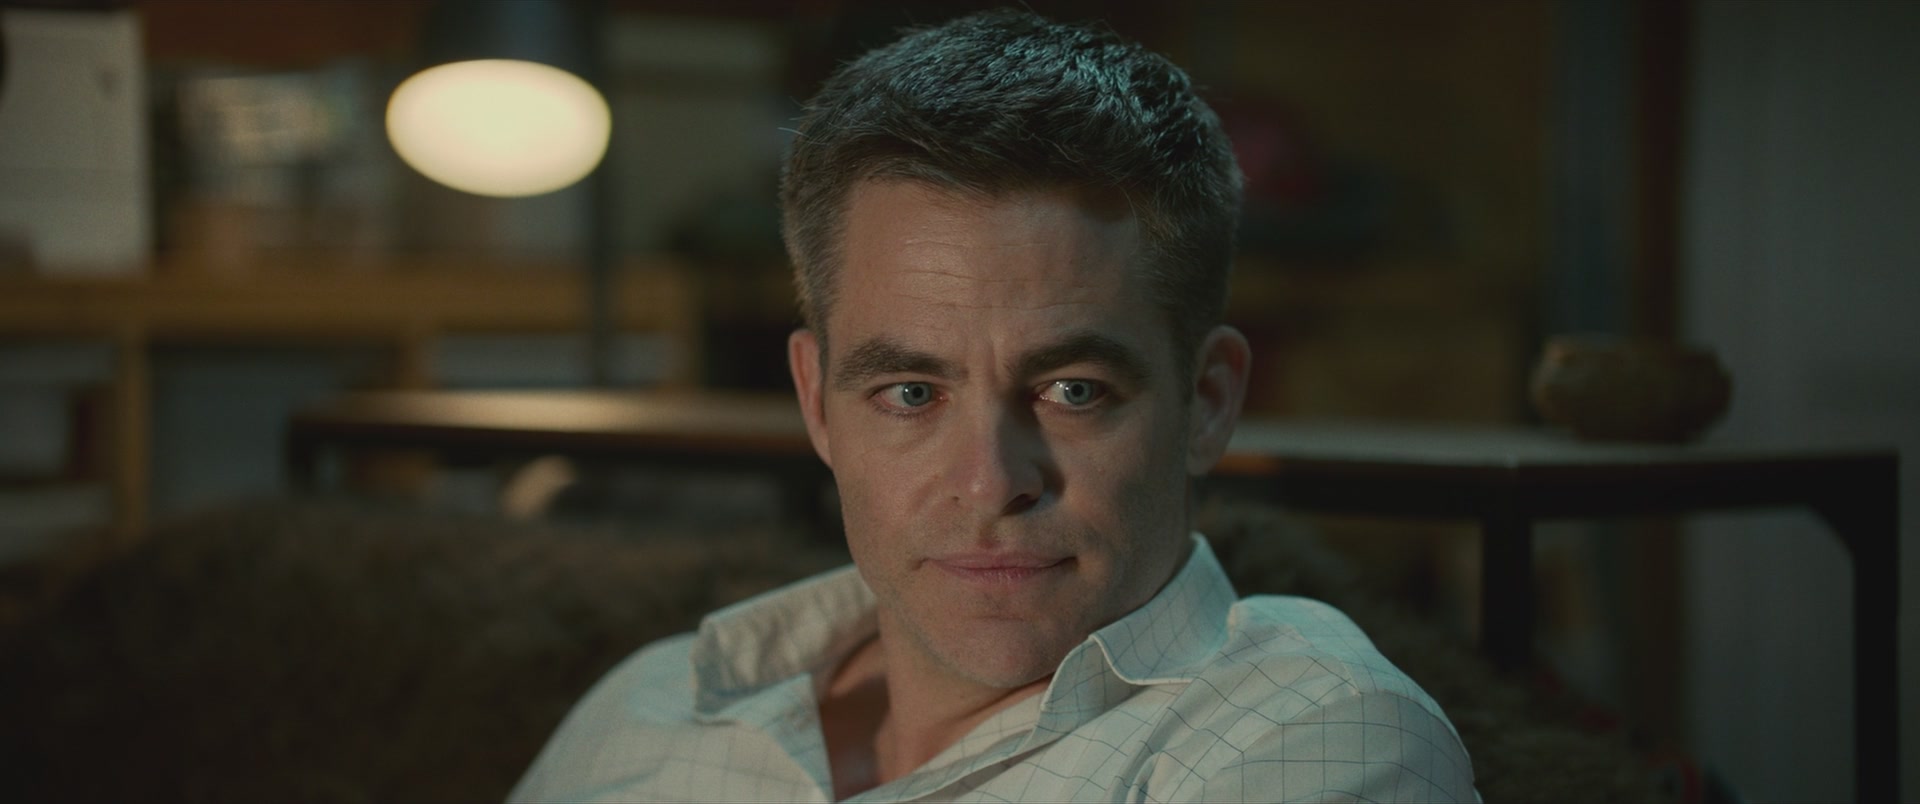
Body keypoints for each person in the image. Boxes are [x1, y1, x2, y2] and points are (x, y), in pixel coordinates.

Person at [511, 9, 1476, 802]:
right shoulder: (652, 706)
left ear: (1209, 400)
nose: (989, 482)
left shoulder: (1312, 741)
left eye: (1072, 391)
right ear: (816, 402)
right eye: (911, 393)